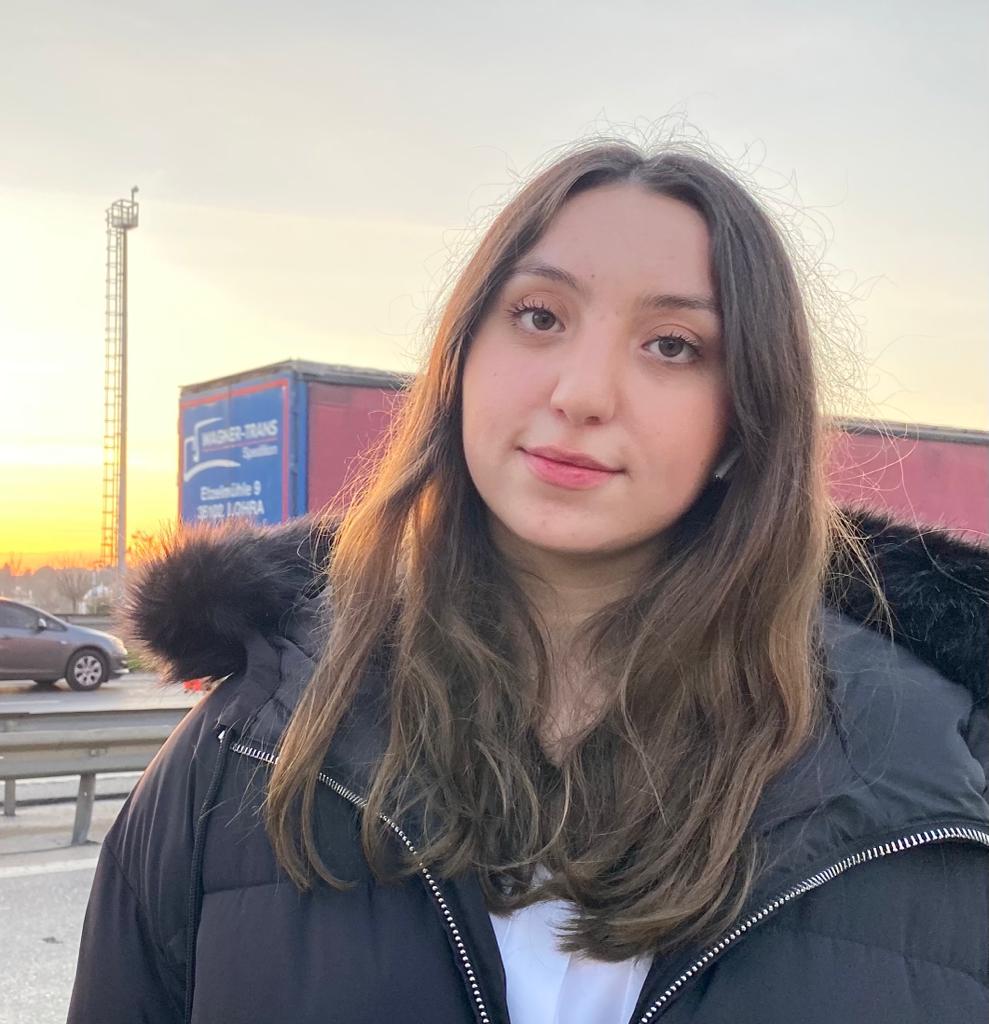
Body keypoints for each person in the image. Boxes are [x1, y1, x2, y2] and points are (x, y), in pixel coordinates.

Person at [68, 142, 988, 1024]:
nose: (582, 393)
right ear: (460, 359)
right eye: (540, 317)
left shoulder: (938, 780)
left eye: (672, 345)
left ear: (746, 415)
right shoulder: (248, 749)